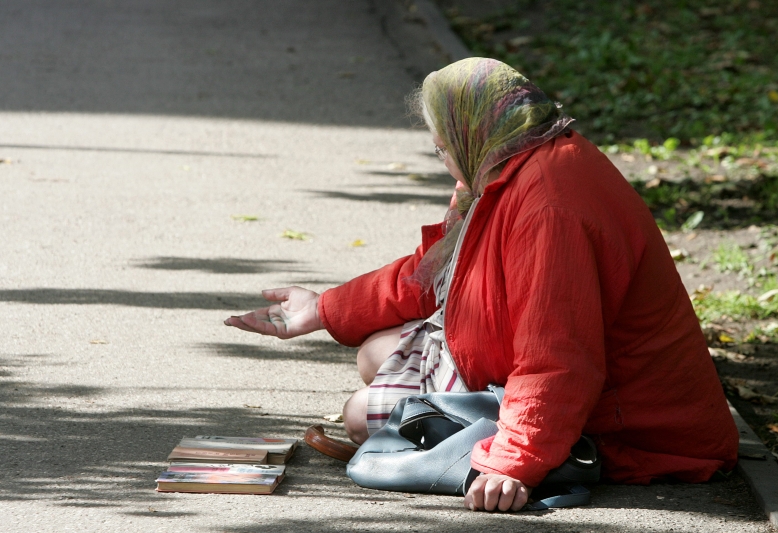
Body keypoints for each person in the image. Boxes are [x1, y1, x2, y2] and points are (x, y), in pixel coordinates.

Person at [225, 58, 739, 513]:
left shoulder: (550, 208)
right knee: (373, 354)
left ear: (474, 134)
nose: (444, 160)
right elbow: (433, 272)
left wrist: (515, 464)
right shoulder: (509, 161)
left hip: (628, 423)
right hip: (551, 376)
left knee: (361, 419)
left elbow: (560, 355)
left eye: (442, 148)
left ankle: (498, 439)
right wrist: (325, 309)